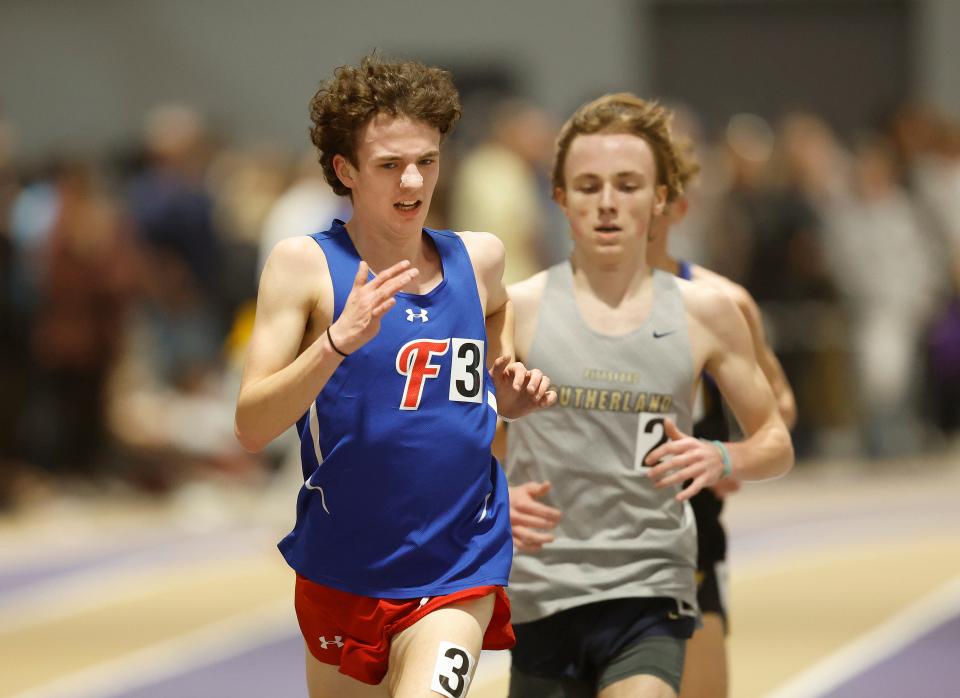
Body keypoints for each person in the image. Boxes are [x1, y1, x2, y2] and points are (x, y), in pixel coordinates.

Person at [234, 53, 555, 698]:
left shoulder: (480, 257)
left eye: (427, 161)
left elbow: (498, 315)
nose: (413, 181)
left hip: (459, 566)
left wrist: (507, 394)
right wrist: (334, 343)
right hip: (342, 568)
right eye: (389, 165)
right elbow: (250, 426)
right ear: (345, 170)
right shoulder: (306, 268)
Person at [503, 93, 794, 698]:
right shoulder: (517, 307)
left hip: (652, 588)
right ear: (559, 198)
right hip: (541, 592)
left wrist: (722, 457)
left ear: (661, 199)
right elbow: (459, 434)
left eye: (628, 185)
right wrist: (491, 494)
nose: (607, 203)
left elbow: (775, 437)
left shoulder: (710, 310)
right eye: (587, 186)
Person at [646, 141, 797, 698]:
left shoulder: (721, 301)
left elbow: (778, 406)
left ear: (676, 208)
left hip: (691, 526)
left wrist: (730, 456)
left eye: (649, 194)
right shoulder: (554, 301)